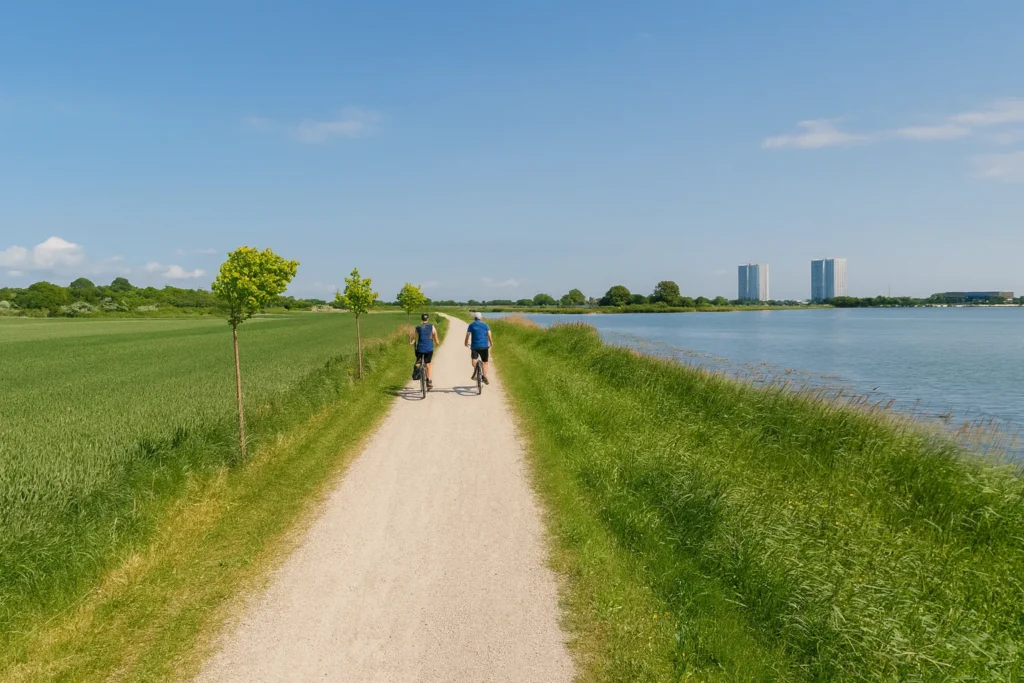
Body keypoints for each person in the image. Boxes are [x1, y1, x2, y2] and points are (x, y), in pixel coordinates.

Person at [411, 313, 439, 390]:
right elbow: (435, 335)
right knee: (429, 364)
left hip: (420, 349)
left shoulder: (418, 327)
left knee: (418, 361)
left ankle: (417, 369)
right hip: (428, 348)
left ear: (422, 319)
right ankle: (429, 381)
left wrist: (412, 341)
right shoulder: (432, 326)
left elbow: (414, 338)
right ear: (428, 319)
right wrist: (437, 342)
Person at [464, 312, 493, 384]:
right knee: (485, 362)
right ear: (481, 318)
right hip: (484, 346)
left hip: (474, 346)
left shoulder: (471, 325)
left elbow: (468, 334)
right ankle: (484, 377)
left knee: (474, 362)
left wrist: (466, 342)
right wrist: (491, 343)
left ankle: (477, 372)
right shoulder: (485, 325)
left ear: (474, 318)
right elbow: (489, 334)